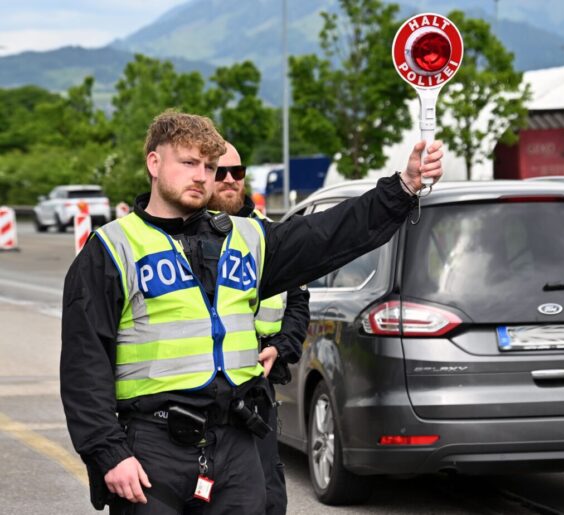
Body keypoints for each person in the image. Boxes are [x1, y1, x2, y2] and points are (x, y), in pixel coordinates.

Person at [60, 110, 442, 514]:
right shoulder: (112, 249)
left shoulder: (247, 238)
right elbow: (85, 365)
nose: (201, 176)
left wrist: (402, 188)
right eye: (188, 163)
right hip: (154, 448)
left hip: (236, 443)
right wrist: (109, 453)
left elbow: (327, 235)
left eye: (209, 166)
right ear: (154, 163)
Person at [207, 141, 308, 515]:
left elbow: (297, 301)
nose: (231, 180)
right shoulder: (188, 234)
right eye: (221, 172)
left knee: (266, 495)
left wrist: (281, 346)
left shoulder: (267, 235)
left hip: (258, 388)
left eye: (238, 171)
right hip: (203, 389)